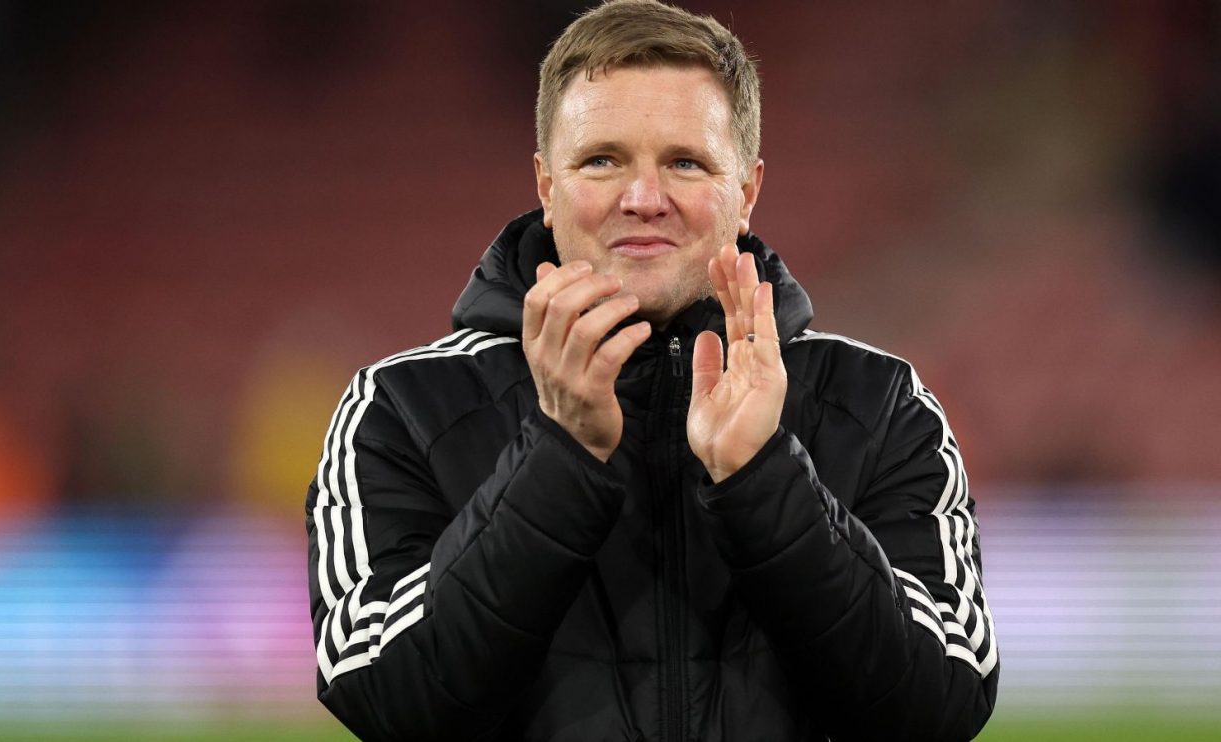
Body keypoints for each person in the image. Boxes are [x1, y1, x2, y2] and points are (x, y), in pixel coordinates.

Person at [306, 1, 999, 739]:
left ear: (749, 191)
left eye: (686, 163)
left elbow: (942, 703)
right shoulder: (402, 408)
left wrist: (764, 479)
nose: (643, 200)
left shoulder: (881, 404)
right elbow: (385, 696)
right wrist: (560, 455)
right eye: (601, 160)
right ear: (546, 186)